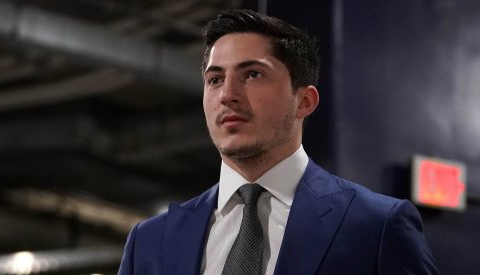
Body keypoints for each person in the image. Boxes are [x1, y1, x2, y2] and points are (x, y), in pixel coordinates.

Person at [118, 9, 439, 275]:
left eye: (252, 74)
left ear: (304, 101)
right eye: (215, 79)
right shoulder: (150, 241)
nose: (227, 95)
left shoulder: (377, 227)